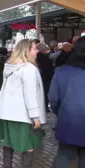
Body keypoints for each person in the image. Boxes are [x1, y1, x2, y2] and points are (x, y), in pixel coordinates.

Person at [0, 39, 46, 168]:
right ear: (26, 51)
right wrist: (35, 117)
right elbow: (31, 95)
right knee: (28, 146)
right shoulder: (29, 69)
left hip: (7, 114)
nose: (37, 51)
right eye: (34, 48)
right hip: (23, 116)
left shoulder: (10, 66)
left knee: (8, 143)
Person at [49, 36, 85, 168]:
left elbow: (53, 99)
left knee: (64, 156)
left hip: (68, 121)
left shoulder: (62, 71)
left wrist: (63, 112)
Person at [36, 43, 54, 112]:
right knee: (45, 93)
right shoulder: (44, 58)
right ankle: (45, 107)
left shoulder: (38, 57)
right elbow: (47, 69)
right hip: (45, 78)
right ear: (42, 49)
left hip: (42, 77)